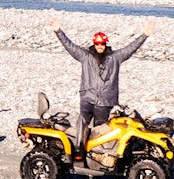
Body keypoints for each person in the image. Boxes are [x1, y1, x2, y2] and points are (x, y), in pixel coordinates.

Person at [50, 17, 155, 160]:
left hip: (106, 101)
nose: (99, 46)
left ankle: (99, 157)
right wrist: (58, 32)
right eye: (97, 43)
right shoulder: (85, 56)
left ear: (106, 44)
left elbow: (131, 48)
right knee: (82, 123)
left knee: (102, 131)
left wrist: (145, 35)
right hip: (87, 98)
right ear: (94, 43)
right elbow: (70, 46)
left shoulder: (115, 57)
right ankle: (78, 152)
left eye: (102, 44)